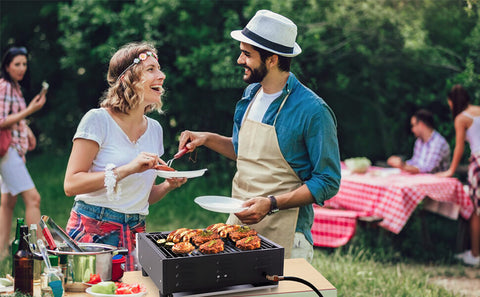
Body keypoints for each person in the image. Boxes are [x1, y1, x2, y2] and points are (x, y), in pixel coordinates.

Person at [178, 10, 341, 261]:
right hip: (237, 228)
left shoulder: (313, 110)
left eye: (247, 54)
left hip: (286, 233)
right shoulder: (249, 95)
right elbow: (246, 153)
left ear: (272, 59)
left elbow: (328, 181)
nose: (239, 59)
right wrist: (207, 139)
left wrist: (272, 203)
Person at [63, 42, 187, 271]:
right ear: (128, 78)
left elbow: (140, 197)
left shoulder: (155, 130)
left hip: (135, 232)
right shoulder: (98, 120)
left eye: (159, 68)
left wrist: (169, 185)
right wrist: (128, 168)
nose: (162, 75)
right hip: (94, 231)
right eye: (151, 69)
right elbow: (71, 185)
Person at [0, 46, 46, 258]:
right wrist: (31, 110)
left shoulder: (15, 87)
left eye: (24, 64)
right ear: (7, 66)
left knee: (8, 202)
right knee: (33, 199)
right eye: (17, 64)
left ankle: (1, 252)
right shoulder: (5, 86)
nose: (21, 68)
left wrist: (26, 129)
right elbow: (2, 121)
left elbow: (13, 115)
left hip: (15, 149)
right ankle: (38, 252)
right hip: (8, 151)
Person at [436, 84, 480, 266]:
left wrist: (450, 171)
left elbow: (459, 147)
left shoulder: (462, 118)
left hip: (478, 164)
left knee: (476, 212)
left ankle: (476, 255)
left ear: (453, 101)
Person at [387, 109, 450, 174]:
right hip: (421, 180)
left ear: (421, 125)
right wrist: (400, 163)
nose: (412, 130)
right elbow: (415, 162)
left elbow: (428, 169)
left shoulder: (437, 142)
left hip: (436, 181)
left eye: (413, 125)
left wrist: (403, 166)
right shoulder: (419, 141)